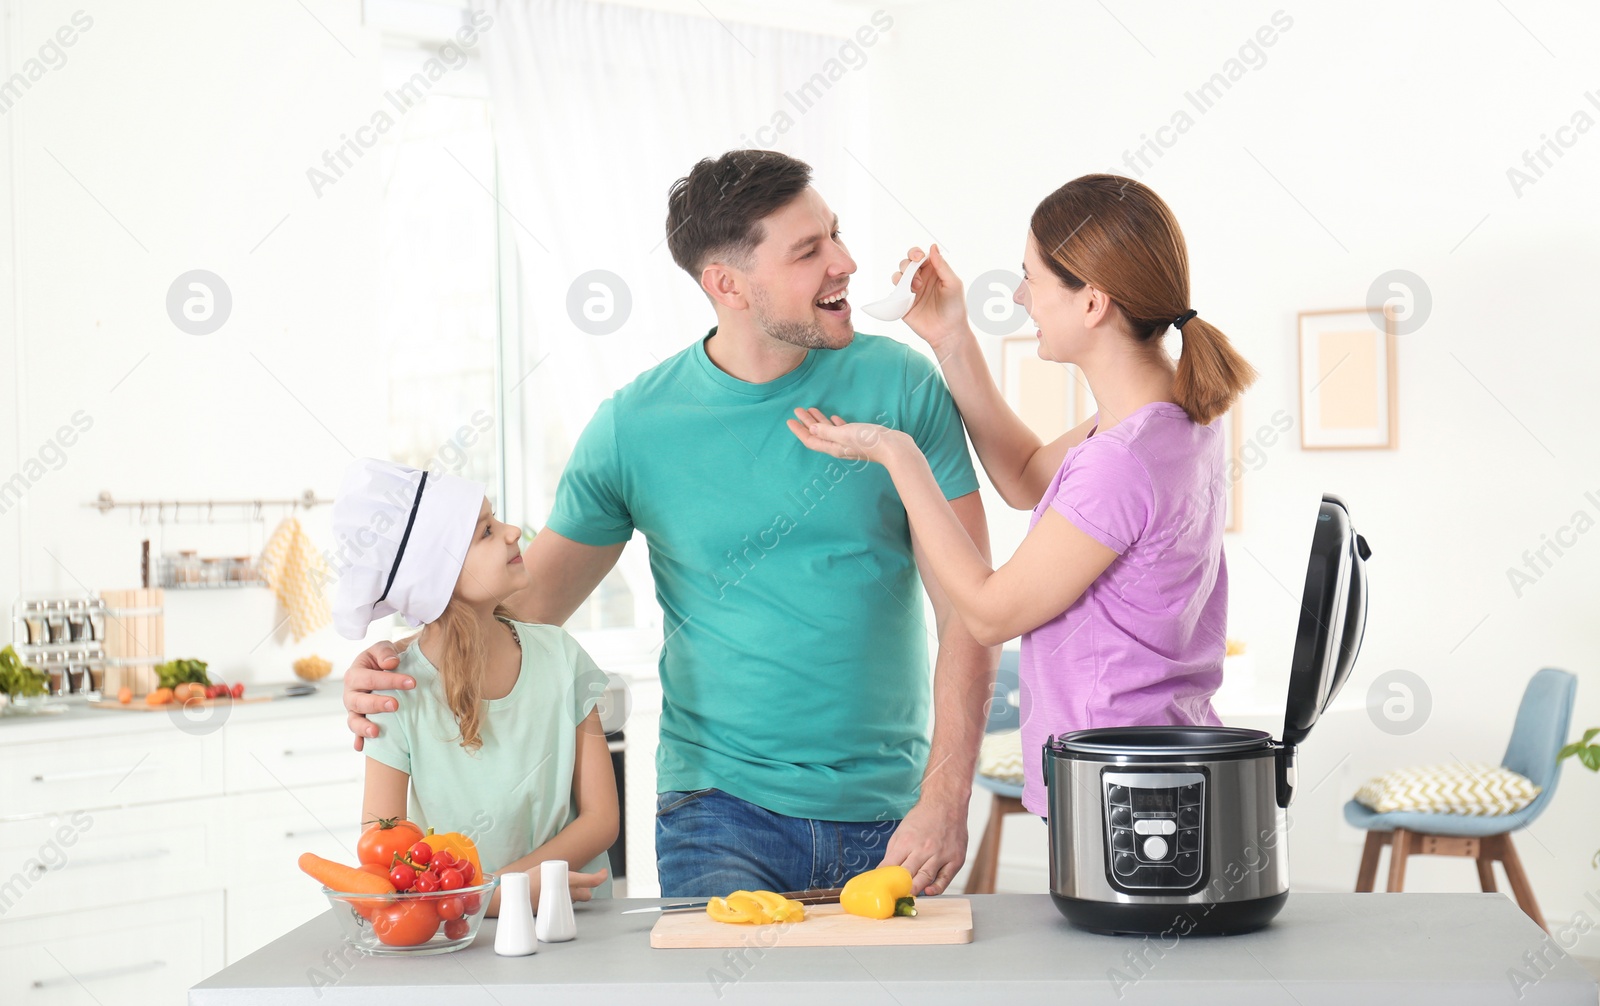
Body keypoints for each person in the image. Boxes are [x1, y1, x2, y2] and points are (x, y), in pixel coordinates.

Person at [340, 150, 996, 898]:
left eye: (835, 236)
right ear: (728, 284)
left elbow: (972, 610)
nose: (845, 262)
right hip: (717, 814)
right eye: (809, 250)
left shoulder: (902, 386)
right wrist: (396, 666)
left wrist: (945, 796)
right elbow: (518, 609)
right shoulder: (634, 427)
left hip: (894, 809)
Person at [790, 174, 1257, 818]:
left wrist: (899, 455)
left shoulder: (1123, 459)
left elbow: (988, 613)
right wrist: (951, 337)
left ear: (1091, 302)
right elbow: (1025, 474)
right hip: (1155, 765)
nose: (1018, 297)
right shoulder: (1169, 415)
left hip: (1120, 780)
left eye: (1031, 279)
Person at [333, 458, 618, 914]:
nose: (511, 532)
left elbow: (602, 820)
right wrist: (495, 898)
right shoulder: (396, 693)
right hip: (459, 935)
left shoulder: (563, 656)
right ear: (436, 580)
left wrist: (488, 894)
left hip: (569, 919)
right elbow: (382, 865)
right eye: (485, 531)